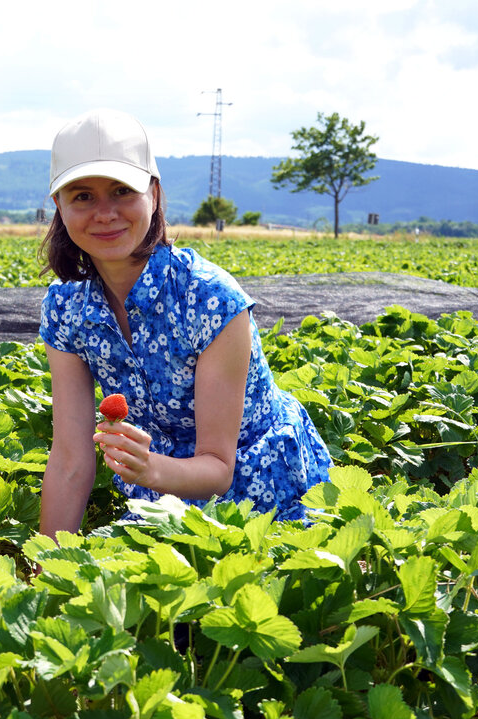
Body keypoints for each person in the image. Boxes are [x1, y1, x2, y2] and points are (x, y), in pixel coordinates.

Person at [37, 108, 333, 540]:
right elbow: (69, 459)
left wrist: (147, 467)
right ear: (58, 206)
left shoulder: (211, 298)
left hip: (261, 496)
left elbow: (217, 469)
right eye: (82, 196)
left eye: (122, 190)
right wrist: (46, 572)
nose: (104, 213)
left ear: (153, 195)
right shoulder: (66, 309)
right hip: (161, 495)